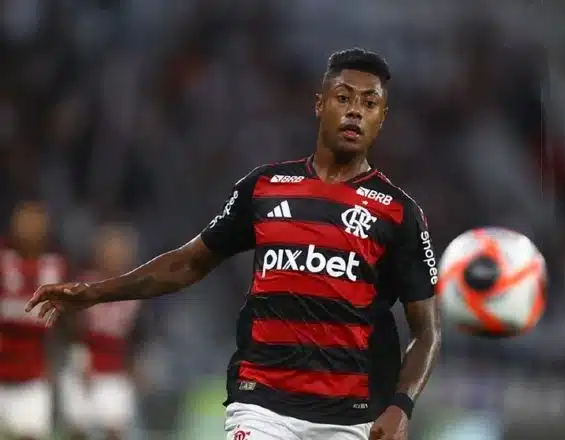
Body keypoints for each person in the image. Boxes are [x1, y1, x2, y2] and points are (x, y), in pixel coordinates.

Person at [25, 48, 442, 440]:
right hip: (261, 403)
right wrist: (95, 292)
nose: (355, 111)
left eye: (369, 103)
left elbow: (426, 331)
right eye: (343, 97)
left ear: (382, 118)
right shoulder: (264, 188)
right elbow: (188, 263)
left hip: (350, 416)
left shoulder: (399, 213)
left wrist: (401, 405)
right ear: (320, 104)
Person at [62, 225, 140, 440]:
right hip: (82, 367)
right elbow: (67, 325)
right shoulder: (81, 285)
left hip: (115, 371)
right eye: (110, 250)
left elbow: (139, 334)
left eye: (120, 251)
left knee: (115, 428)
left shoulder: (137, 289)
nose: (115, 257)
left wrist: (135, 364)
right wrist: (78, 357)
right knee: (78, 428)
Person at [0, 201, 68, 440]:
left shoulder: (58, 267)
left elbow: (67, 323)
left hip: (33, 377)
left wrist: (59, 363)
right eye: (23, 222)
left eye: (34, 223)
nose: (28, 229)